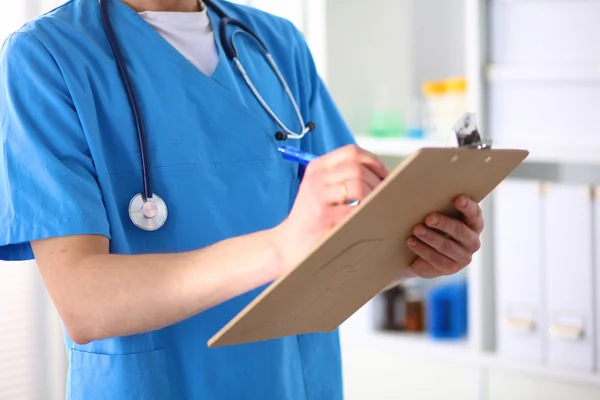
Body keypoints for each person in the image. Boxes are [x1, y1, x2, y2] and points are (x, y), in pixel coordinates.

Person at [0, 0, 484, 398]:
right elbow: (85, 303)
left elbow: (339, 234)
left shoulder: (275, 44)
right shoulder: (47, 56)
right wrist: (281, 247)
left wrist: (408, 254)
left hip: (292, 382)